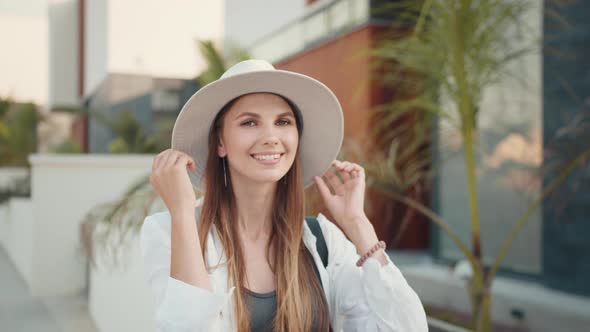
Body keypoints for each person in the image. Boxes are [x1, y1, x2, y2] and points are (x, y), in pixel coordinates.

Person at [140, 59, 428, 332]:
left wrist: (358, 223)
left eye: (283, 122)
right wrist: (182, 213)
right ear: (220, 142)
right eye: (249, 122)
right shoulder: (169, 231)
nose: (270, 136)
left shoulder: (322, 240)